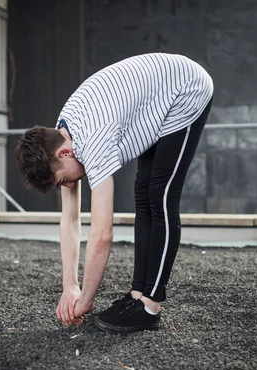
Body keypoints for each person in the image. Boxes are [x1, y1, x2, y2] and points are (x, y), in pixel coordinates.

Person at [15, 53, 213, 333]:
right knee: (142, 194)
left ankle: (150, 305)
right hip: (154, 99)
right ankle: (137, 296)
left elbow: (102, 233)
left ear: (65, 153)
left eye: (62, 180)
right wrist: (70, 286)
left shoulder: (91, 141)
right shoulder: (64, 133)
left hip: (186, 88)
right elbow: (70, 220)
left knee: (160, 194)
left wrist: (85, 300)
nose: (69, 187)